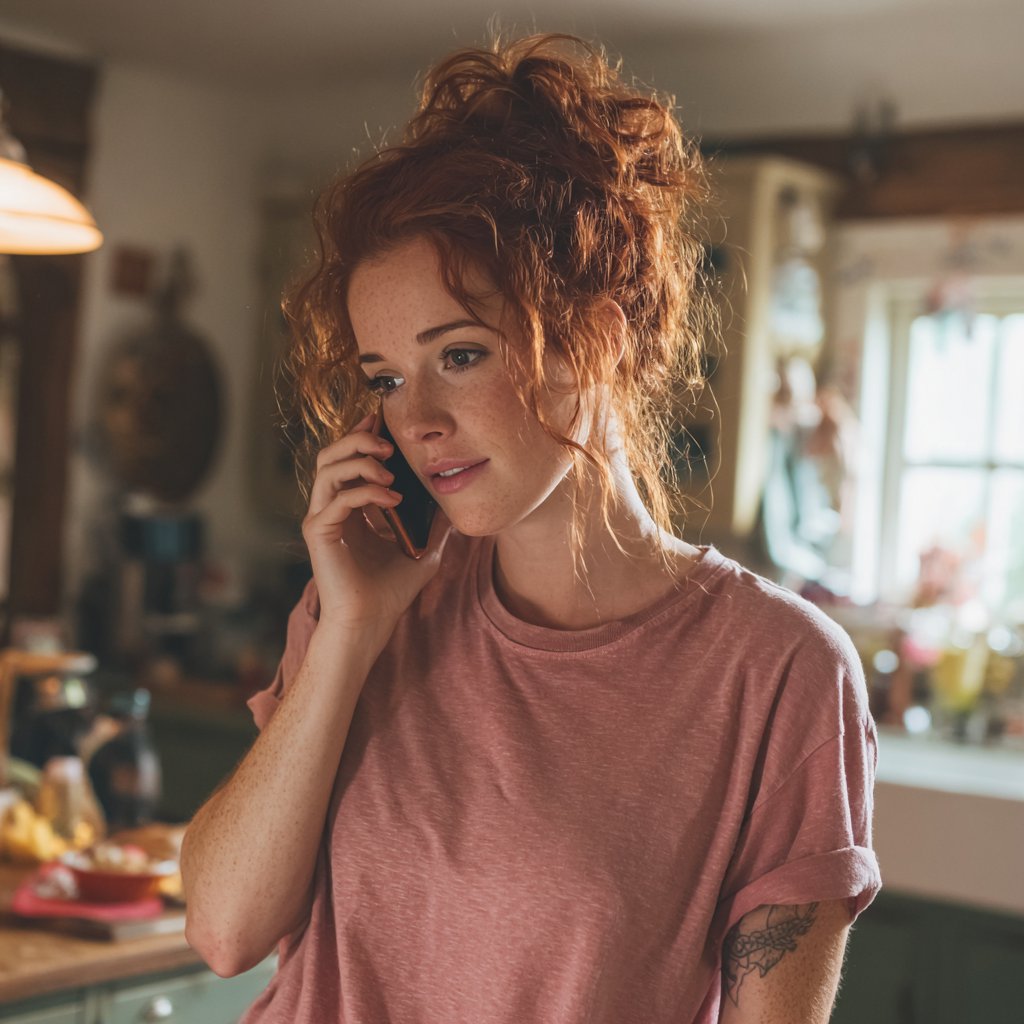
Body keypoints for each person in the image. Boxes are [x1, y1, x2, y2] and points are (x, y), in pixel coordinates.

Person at [181, 32, 881, 1024]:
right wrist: (348, 634)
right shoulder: (368, 601)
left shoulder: (778, 672)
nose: (416, 419)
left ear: (598, 339)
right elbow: (224, 931)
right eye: (386, 378)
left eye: (459, 355)